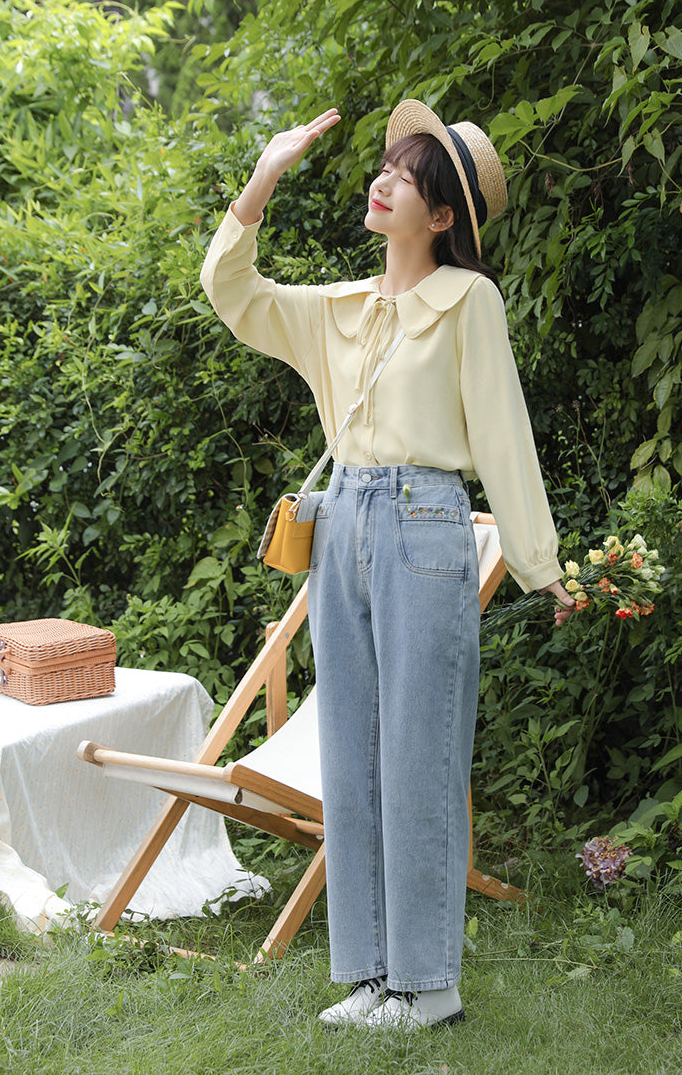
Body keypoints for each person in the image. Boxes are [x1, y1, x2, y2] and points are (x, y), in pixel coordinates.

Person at [200, 100, 574, 1030]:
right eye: (388, 168)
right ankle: (372, 975)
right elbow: (230, 289)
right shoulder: (340, 310)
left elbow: (504, 437)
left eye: (405, 176)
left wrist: (541, 564)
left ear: (441, 215)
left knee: (419, 755)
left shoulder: (469, 303)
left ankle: (429, 983)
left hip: (425, 528)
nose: (383, 181)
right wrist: (265, 175)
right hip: (341, 528)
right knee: (353, 756)